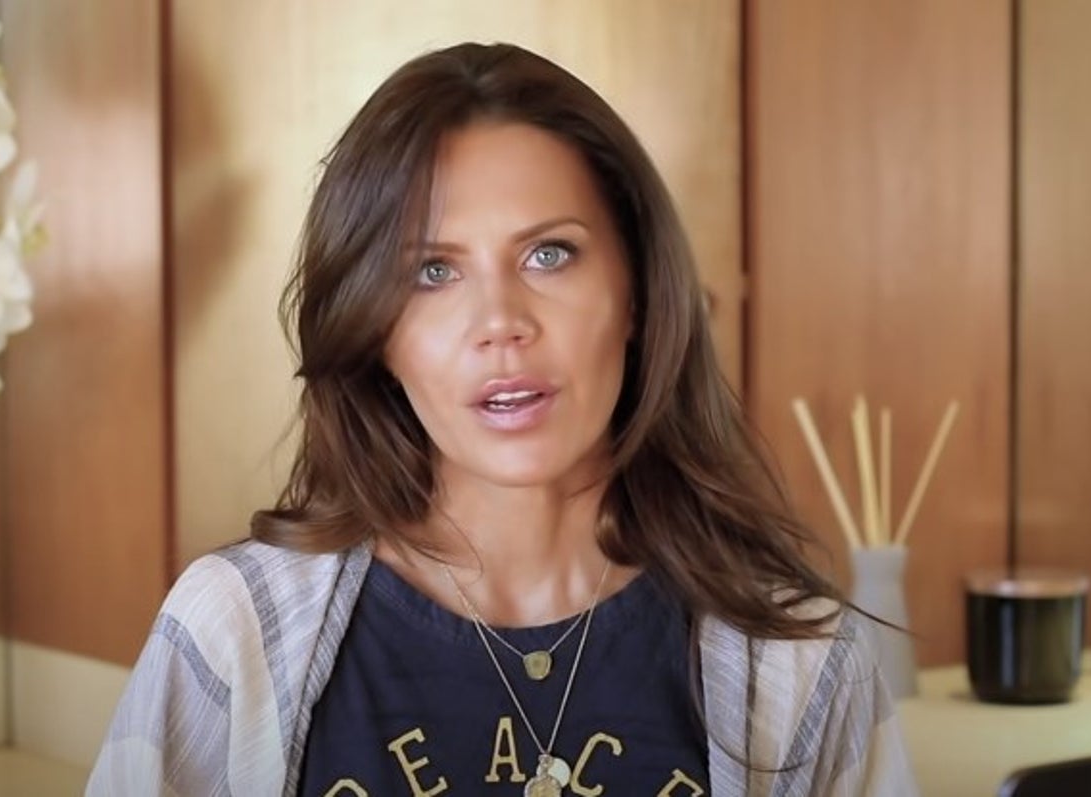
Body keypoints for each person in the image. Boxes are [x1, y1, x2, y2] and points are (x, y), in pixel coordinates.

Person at [88, 42, 916, 796]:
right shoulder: (233, 632)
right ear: (376, 331)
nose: (500, 323)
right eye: (432, 271)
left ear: (636, 291)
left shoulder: (800, 661)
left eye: (548, 254)